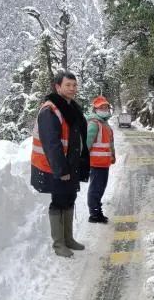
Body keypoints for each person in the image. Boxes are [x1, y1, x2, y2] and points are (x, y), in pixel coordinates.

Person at [30, 71, 89, 257]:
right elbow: (51, 144)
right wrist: (61, 169)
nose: (72, 88)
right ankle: (58, 244)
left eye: (74, 85)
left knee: (70, 198)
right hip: (55, 167)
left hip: (70, 164)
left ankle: (68, 239)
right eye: (68, 85)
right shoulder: (50, 110)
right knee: (58, 202)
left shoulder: (70, 108)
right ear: (58, 87)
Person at [86, 95, 115, 223]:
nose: (104, 109)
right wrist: (82, 160)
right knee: (96, 189)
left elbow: (109, 143)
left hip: (103, 163)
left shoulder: (104, 123)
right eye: (101, 107)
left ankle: (96, 211)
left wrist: (112, 155)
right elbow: (87, 143)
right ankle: (94, 214)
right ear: (95, 109)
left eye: (106, 107)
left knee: (100, 188)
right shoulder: (94, 123)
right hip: (96, 163)